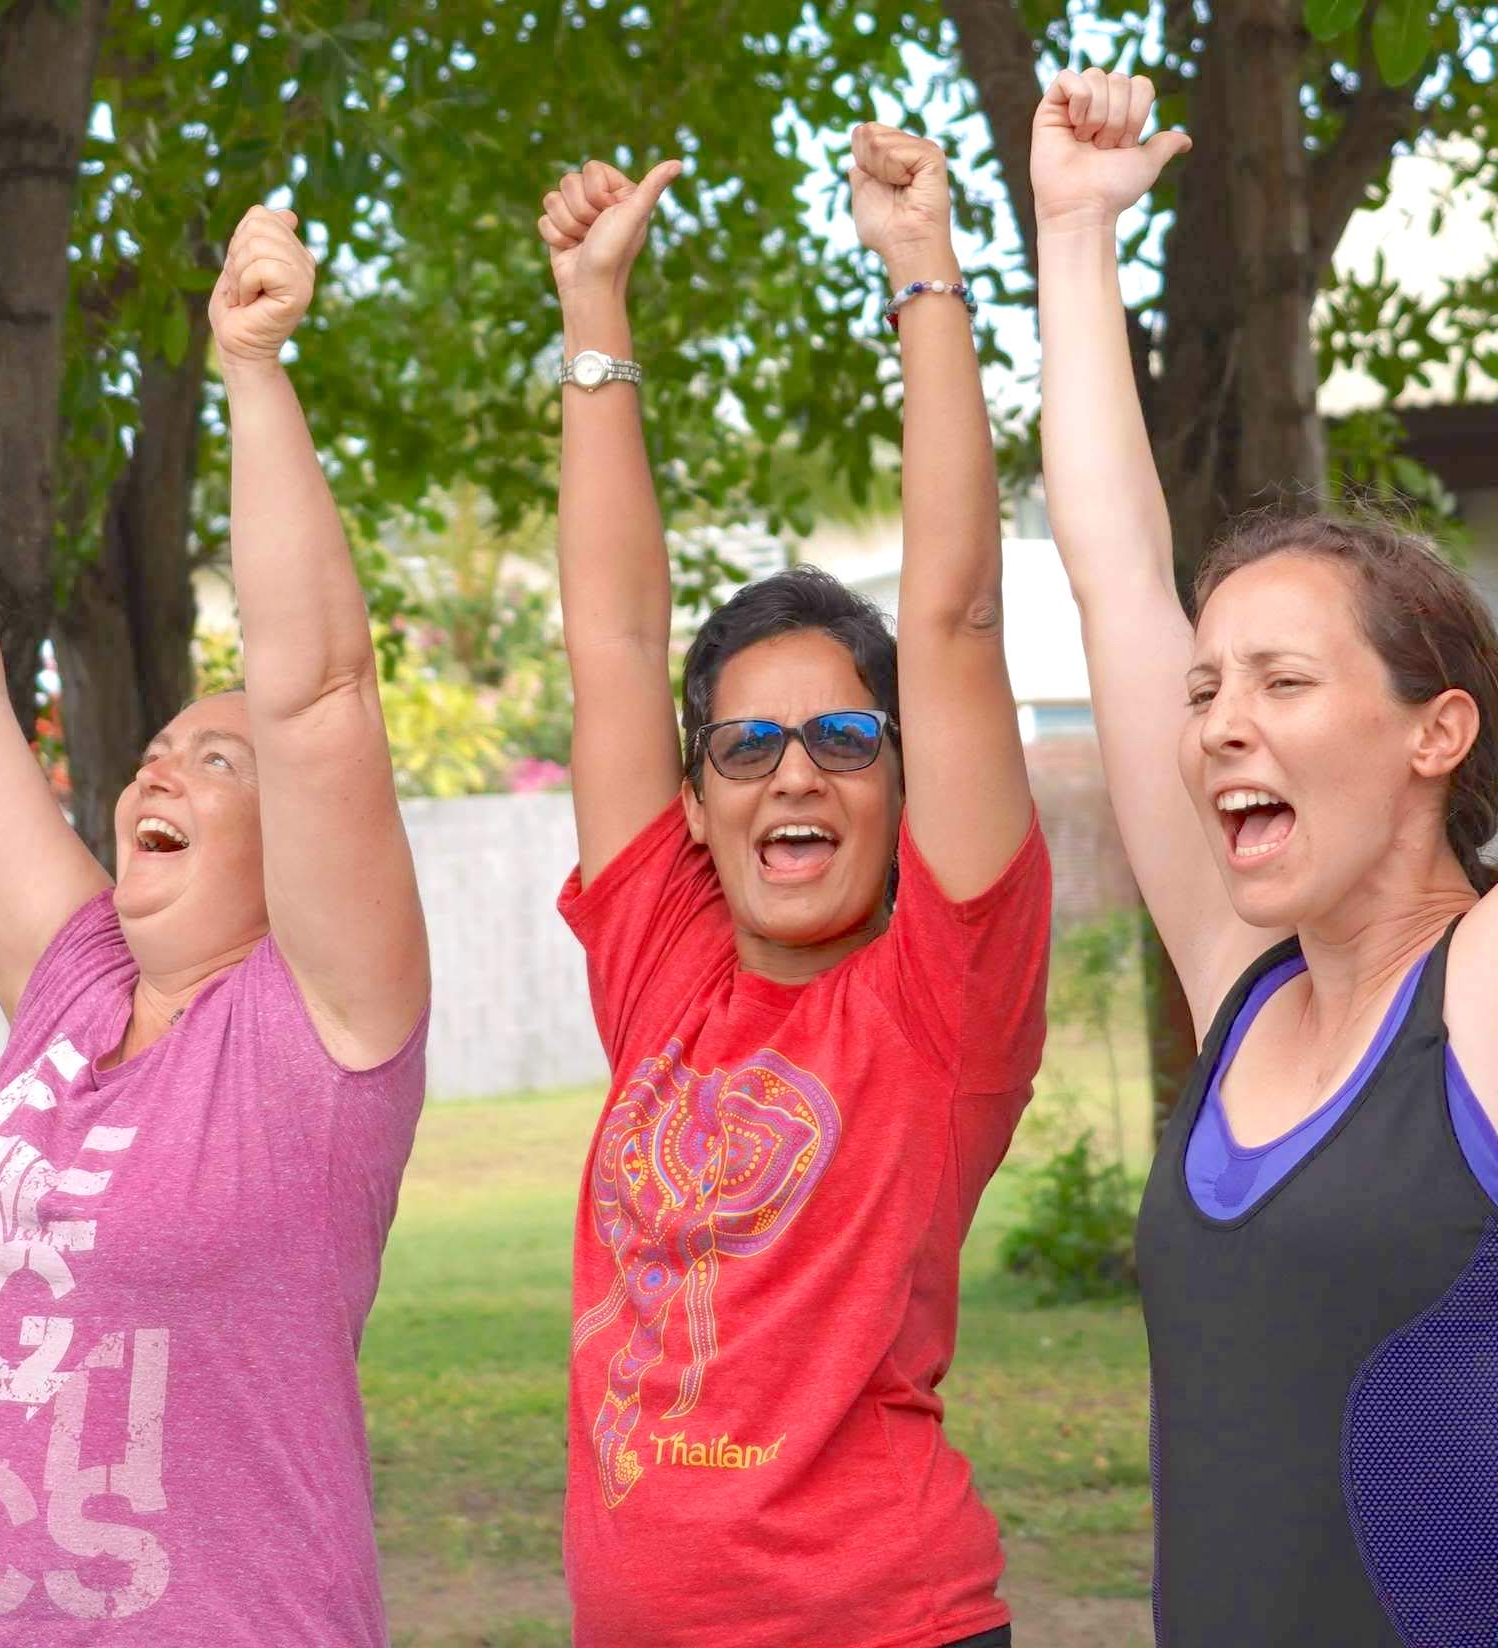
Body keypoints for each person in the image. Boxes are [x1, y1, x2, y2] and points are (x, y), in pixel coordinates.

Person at [1028, 5, 1498, 1640]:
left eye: (1279, 678)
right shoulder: (1242, 976)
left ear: (1436, 731)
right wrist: (1069, 236)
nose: (1221, 724)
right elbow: (1113, 574)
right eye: (1206, 694)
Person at [0, 206, 430, 1643]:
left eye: (220, 762)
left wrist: (251, 368)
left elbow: (321, 698)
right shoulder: (76, 987)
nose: (160, 766)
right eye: (158, 748)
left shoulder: (321, 1030)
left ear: (303, 848)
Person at [541, 122, 1049, 1648]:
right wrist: (591, 314)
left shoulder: (939, 1004)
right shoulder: (661, 973)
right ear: (692, 801)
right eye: (746, 747)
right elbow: (616, 642)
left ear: (901, 782)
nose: (794, 776)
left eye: (842, 738)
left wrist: (921, 273)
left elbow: (952, 618)